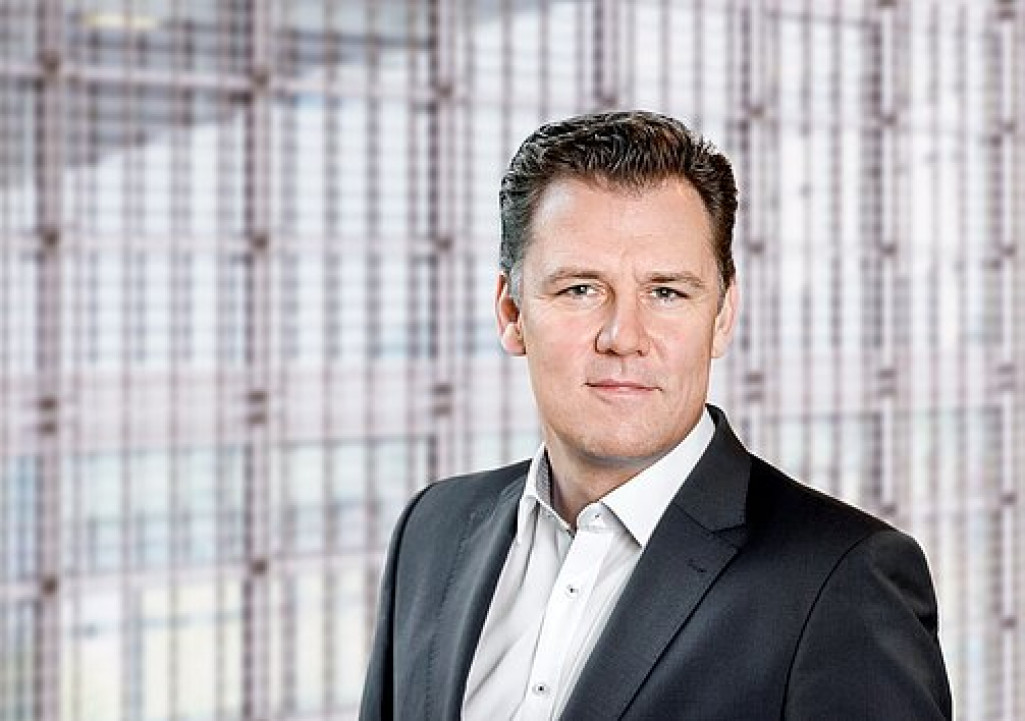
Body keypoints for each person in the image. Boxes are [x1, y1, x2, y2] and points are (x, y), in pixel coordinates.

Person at [359, 110, 951, 720]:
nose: (623, 337)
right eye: (580, 289)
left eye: (666, 292)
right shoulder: (432, 532)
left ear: (722, 316)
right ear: (512, 313)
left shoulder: (842, 581)